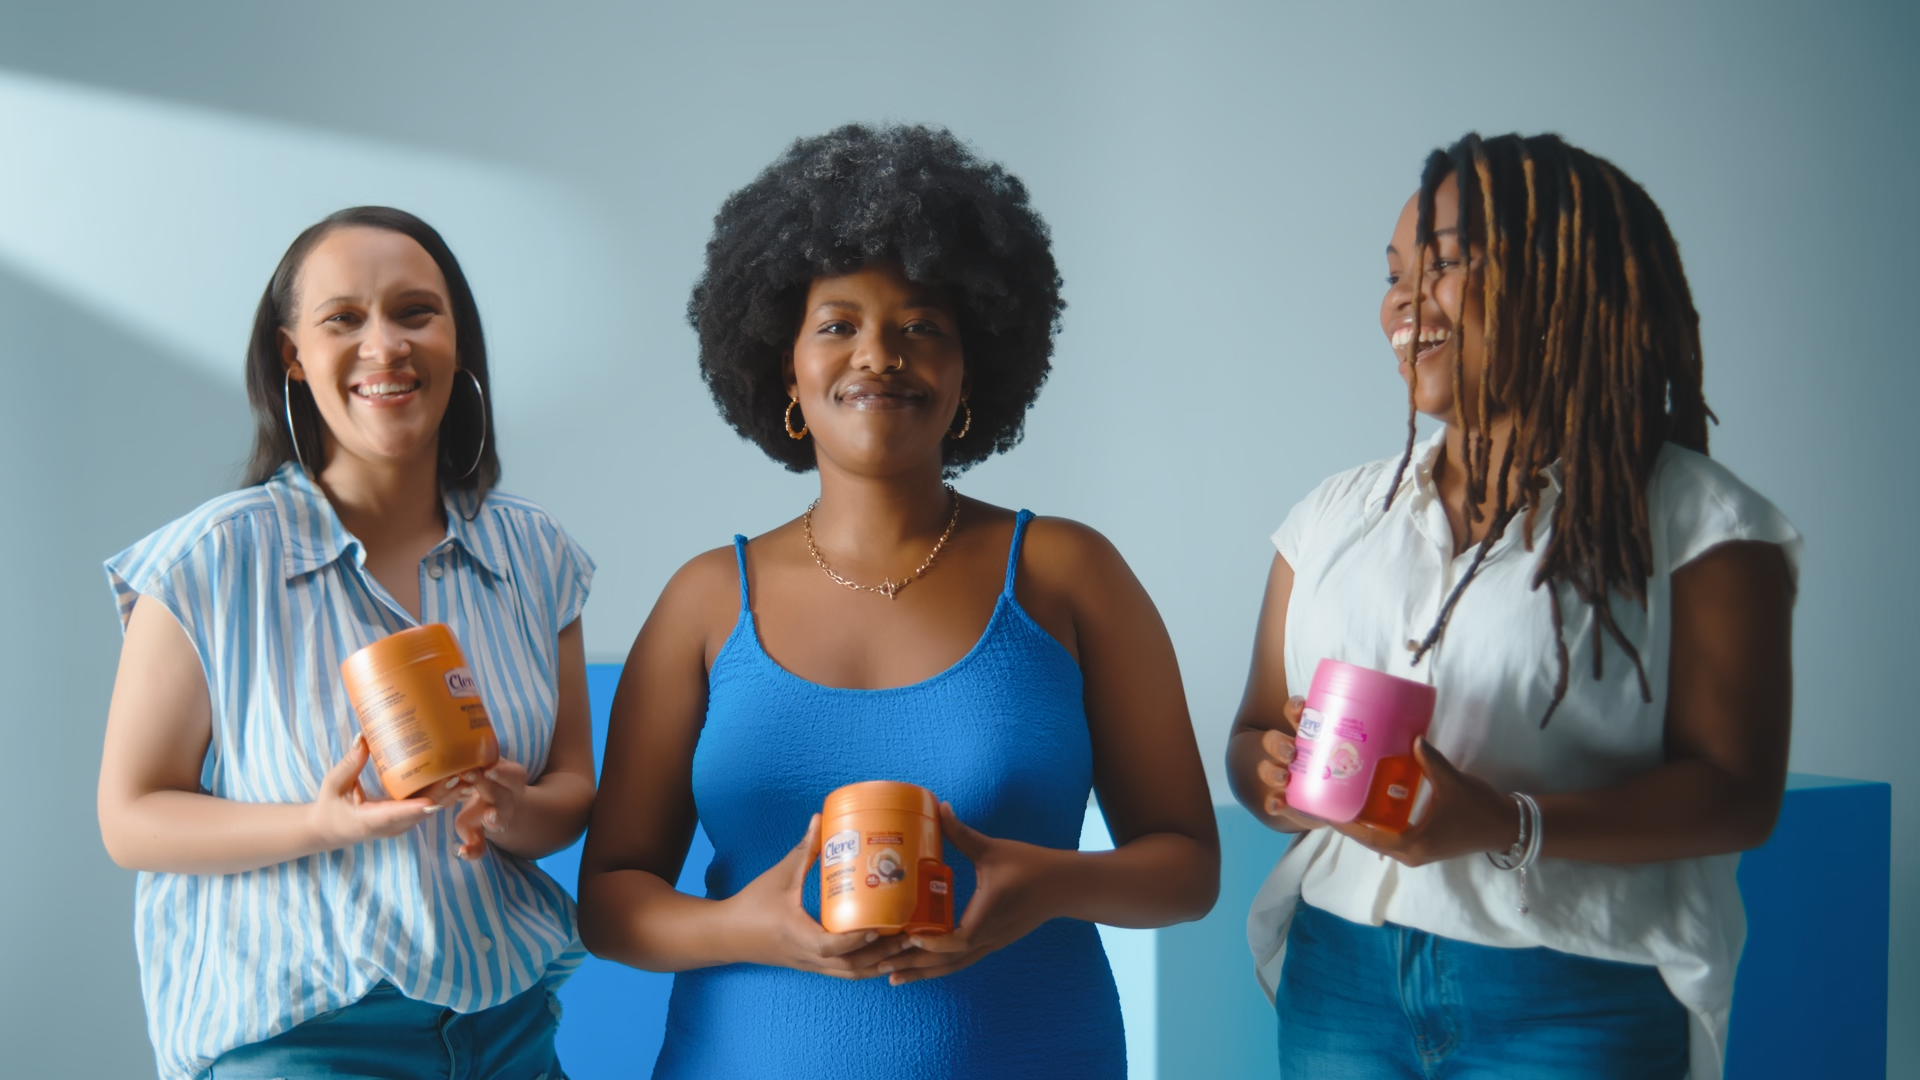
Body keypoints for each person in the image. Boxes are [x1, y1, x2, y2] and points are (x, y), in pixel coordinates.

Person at [577, 123, 1219, 1079]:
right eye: (837, 324)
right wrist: (748, 928)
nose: (878, 355)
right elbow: (611, 902)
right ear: (784, 366)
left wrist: (1049, 882)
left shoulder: (1067, 574)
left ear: (970, 373)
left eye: (921, 326)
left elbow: (1187, 866)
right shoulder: (706, 601)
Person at [1227, 133, 1800, 1080]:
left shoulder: (1700, 522)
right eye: (1395, 273)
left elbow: (1737, 795)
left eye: (1445, 265)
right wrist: (1273, 773)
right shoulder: (1331, 519)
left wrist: (1504, 823)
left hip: (1570, 987)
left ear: (1561, 283)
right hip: (1343, 974)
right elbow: (1251, 732)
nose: (1405, 302)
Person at [96, 207, 596, 1080]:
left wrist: (512, 813)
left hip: (509, 1032)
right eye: (343, 319)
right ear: (293, 355)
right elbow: (131, 819)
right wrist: (320, 825)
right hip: (304, 1042)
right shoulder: (210, 561)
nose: (385, 345)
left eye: (415, 312)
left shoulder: (536, 553)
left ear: (458, 343)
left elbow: (573, 788)